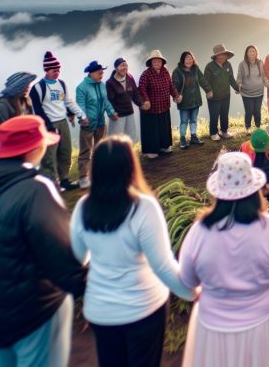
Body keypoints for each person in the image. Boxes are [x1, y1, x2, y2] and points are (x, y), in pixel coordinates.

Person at [0, 115, 87, 367]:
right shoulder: (35, 189)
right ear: (35, 149)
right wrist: (87, 288)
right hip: (33, 310)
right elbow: (61, 255)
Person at [70, 137, 196, 367]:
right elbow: (162, 266)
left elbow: (78, 258)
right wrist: (192, 293)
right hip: (144, 308)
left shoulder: (83, 207)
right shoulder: (143, 207)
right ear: (131, 166)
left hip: (101, 311)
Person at [178, 152, 269, 367]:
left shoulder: (200, 231)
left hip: (212, 327)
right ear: (254, 190)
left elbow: (187, 282)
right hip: (264, 326)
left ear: (218, 192)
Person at [30, 51, 88, 191]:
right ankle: (49, 184)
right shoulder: (38, 88)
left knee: (65, 152)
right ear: (47, 70)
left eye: (58, 70)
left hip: (62, 122)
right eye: (54, 70)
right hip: (49, 124)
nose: (57, 73)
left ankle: (64, 180)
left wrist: (81, 115)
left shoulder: (61, 84)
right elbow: (37, 109)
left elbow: (68, 102)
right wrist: (48, 126)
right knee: (49, 156)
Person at [76, 61, 118, 190]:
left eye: (102, 72)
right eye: (99, 73)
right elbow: (80, 105)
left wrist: (111, 112)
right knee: (86, 151)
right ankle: (83, 177)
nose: (102, 74)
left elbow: (106, 102)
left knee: (100, 149)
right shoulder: (81, 87)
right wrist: (82, 117)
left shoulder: (102, 85)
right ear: (92, 73)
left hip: (101, 123)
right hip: (88, 124)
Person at [138, 49, 182, 158]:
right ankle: (152, 151)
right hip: (150, 108)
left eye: (159, 61)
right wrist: (146, 100)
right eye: (154, 61)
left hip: (164, 105)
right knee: (152, 130)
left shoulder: (165, 72)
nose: (157, 63)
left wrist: (176, 96)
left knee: (164, 128)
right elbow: (142, 89)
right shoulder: (146, 74)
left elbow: (171, 86)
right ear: (151, 62)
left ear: (162, 62)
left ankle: (165, 146)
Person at [172, 51, 209, 150]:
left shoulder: (195, 69)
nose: (189, 60)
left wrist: (208, 90)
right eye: (187, 58)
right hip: (184, 102)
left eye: (190, 58)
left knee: (193, 120)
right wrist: (176, 96)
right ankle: (182, 139)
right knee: (184, 121)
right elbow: (174, 86)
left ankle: (193, 137)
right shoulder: (177, 71)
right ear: (182, 60)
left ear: (193, 59)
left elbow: (202, 80)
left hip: (195, 100)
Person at [204, 44, 241, 141]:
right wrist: (208, 91)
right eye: (220, 55)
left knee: (225, 114)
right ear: (216, 56)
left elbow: (231, 79)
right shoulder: (209, 66)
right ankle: (213, 133)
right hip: (214, 97)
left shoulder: (228, 65)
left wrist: (237, 88)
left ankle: (224, 131)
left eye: (224, 54)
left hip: (226, 95)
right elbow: (205, 82)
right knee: (214, 115)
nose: (222, 56)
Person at [106, 58, 143, 141]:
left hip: (129, 113)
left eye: (126, 65)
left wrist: (141, 104)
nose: (124, 68)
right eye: (121, 66)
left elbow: (135, 94)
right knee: (116, 139)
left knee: (131, 138)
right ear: (116, 68)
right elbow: (109, 100)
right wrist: (111, 113)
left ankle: (130, 149)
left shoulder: (129, 77)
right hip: (117, 115)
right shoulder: (110, 82)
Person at [238, 45, 269, 132]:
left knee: (257, 111)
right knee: (249, 111)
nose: (252, 53)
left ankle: (257, 127)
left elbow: (264, 76)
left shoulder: (260, 62)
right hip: (246, 93)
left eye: (253, 51)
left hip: (259, 92)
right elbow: (239, 77)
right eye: (250, 51)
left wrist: (268, 84)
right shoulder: (242, 64)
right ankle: (248, 128)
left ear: (256, 53)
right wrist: (239, 85)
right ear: (247, 53)